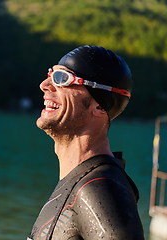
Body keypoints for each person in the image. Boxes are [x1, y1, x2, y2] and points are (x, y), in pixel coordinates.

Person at [28, 45, 144, 240]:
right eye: (50, 74)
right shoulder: (81, 181)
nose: (45, 85)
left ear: (99, 105)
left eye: (62, 79)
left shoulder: (101, 189)